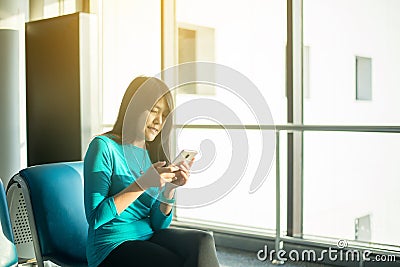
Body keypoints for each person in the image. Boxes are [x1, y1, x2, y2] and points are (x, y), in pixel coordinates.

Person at [83, 76, 220, 267]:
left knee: (203, 241)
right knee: (175, 263)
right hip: (111, 246)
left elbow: (159, 224)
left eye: (164, 116)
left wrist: (169, 189)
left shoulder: (153, 153)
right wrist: (143, 183)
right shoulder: (104, 147)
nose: (159, 121)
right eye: (154, 111)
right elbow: (95, 218)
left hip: (147, 236)